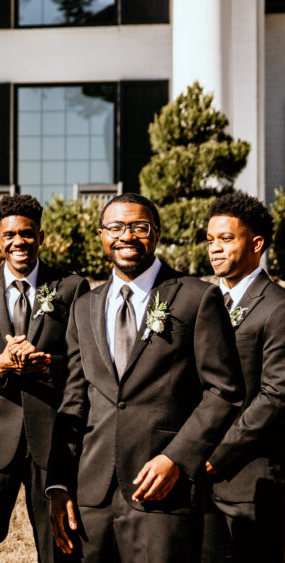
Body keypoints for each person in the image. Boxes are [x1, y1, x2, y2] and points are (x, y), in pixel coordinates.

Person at [48, 193, 245, 563]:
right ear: (102, 235)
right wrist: (58, 484)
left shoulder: (197, 298)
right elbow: (73, 400)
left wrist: (176, 458)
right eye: (116, 227)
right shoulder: (84, 307)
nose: (127, 236)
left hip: (163, 494)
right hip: (91, 497)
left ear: (156, 234)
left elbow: (224, 392)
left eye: (139, 227)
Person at [0, 194, 89, 563]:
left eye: (27, 234)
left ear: (40, 237)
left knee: (59, 547)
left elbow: (82, 364)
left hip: (52, 439)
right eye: (9, 234)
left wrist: (45, 363)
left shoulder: (72, 288)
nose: (18, 242)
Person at [201, 192, 285, 562]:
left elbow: (276, 395)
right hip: (198, 482)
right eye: (209, 240)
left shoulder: (277, 308)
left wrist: (217, 455)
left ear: (256, 244)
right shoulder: (203, 301)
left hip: (252, 481)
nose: (214, 249)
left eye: (226, 238)